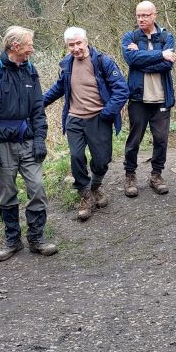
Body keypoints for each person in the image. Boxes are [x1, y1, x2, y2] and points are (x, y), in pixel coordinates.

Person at [0, 26, 58, 262]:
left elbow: (37, 109)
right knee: (6, 194)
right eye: (29, 44)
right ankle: (12, 240)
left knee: (37, 188)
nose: (32, 48)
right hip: (1, 143)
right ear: (15, 46)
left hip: (28, 140)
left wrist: (40, 139)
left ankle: (36, 238)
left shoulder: (31, 71)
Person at [44, 27, 129, 221]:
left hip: (99, 118)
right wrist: (39, 103)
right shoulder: (67, 65)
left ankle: (95, 187)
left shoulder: (102, 62)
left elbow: (122, 90)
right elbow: (59, 88)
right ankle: (84, 194)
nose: (75, 48)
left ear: (86, 41)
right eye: (71, 45)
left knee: (102, 160)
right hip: (74, 118)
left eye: (78, 43)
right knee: (76, 156)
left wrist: (107, 113)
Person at [121, 1, 176, 198]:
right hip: (138, 99)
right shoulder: (130, 36)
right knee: (134, 140)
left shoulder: (167, 37)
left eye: (145, 15)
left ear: (155, 15)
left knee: (161, 140)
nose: (141, 19)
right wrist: (160, 55)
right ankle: (130, 175)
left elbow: (166, 66)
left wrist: (142, 57)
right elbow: (132, 60)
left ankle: (156, 175)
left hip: (161, 98)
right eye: (138, 15)